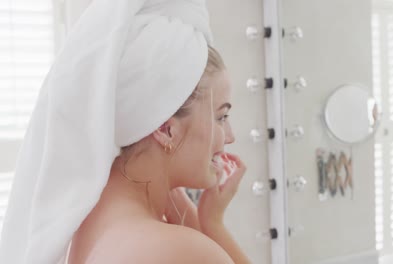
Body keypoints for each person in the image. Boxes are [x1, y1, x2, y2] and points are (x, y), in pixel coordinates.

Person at [0, 0, 251, 263]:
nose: (230, 136)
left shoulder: (97, 209)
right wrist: (213, 224)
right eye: (221, 117)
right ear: (166, 129)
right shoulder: (183, 249)